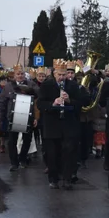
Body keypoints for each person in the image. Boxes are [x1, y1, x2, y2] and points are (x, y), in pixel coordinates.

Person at [37, 60, 91, 189]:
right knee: (52, 153)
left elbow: (81, 104)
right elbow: (40, 104)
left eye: (64, 74)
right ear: (54, 73)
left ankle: (67, 179)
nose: (62, 77)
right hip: (52, 125)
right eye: (59, 74)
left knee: (69, 152)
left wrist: (69, 100)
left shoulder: (73, 86)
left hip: (69, 124)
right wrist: (52, 104)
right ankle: (53, 179)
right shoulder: (46, 85)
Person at [0, 73, 16, 154]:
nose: (4, 82)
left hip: (22, 116)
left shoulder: (28, 84)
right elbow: (0, 102)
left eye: (5, 80)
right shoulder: (6, 87)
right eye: (18, 74)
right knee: (1, 131)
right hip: (8, 114)